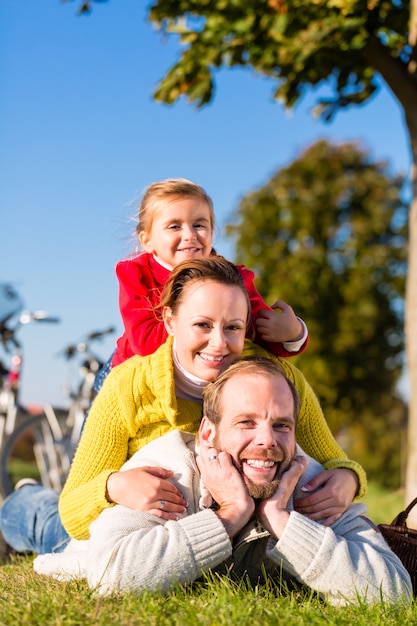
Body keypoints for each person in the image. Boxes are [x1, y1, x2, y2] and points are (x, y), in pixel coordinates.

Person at [0, 257, 366, 555]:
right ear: (171, 320)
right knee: (53, 532)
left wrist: (348, 480)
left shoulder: (277, 380)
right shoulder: (128, 387)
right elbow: (75, 511)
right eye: (202, 325)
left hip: (206, 538)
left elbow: (334, 460)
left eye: (233, 327)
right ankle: (22, 501)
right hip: (134, 532)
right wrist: (112, 487)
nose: (219, 344)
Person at [33, 357, 412, 606]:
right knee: (42, 522)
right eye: (246, 422)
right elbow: (109, 576)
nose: (266, 440)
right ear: (208, 434)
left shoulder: (308, 482)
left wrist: (282, 522)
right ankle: (26, 498)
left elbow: (393, 593)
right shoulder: (168, 470)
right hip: (73, 539)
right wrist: (229, 516)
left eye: (281, 425)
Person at [94, 178, 308, 390]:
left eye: (199, 225)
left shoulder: (231, 279)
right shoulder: (135, 273)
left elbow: (256, 329)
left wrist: (292, 333)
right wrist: (200, 329)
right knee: (100, 421)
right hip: (131, 371)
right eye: (174, 226)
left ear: (212, 231)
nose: (189, 235)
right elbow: (145, 341)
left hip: (199, 375)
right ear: (147, 240)